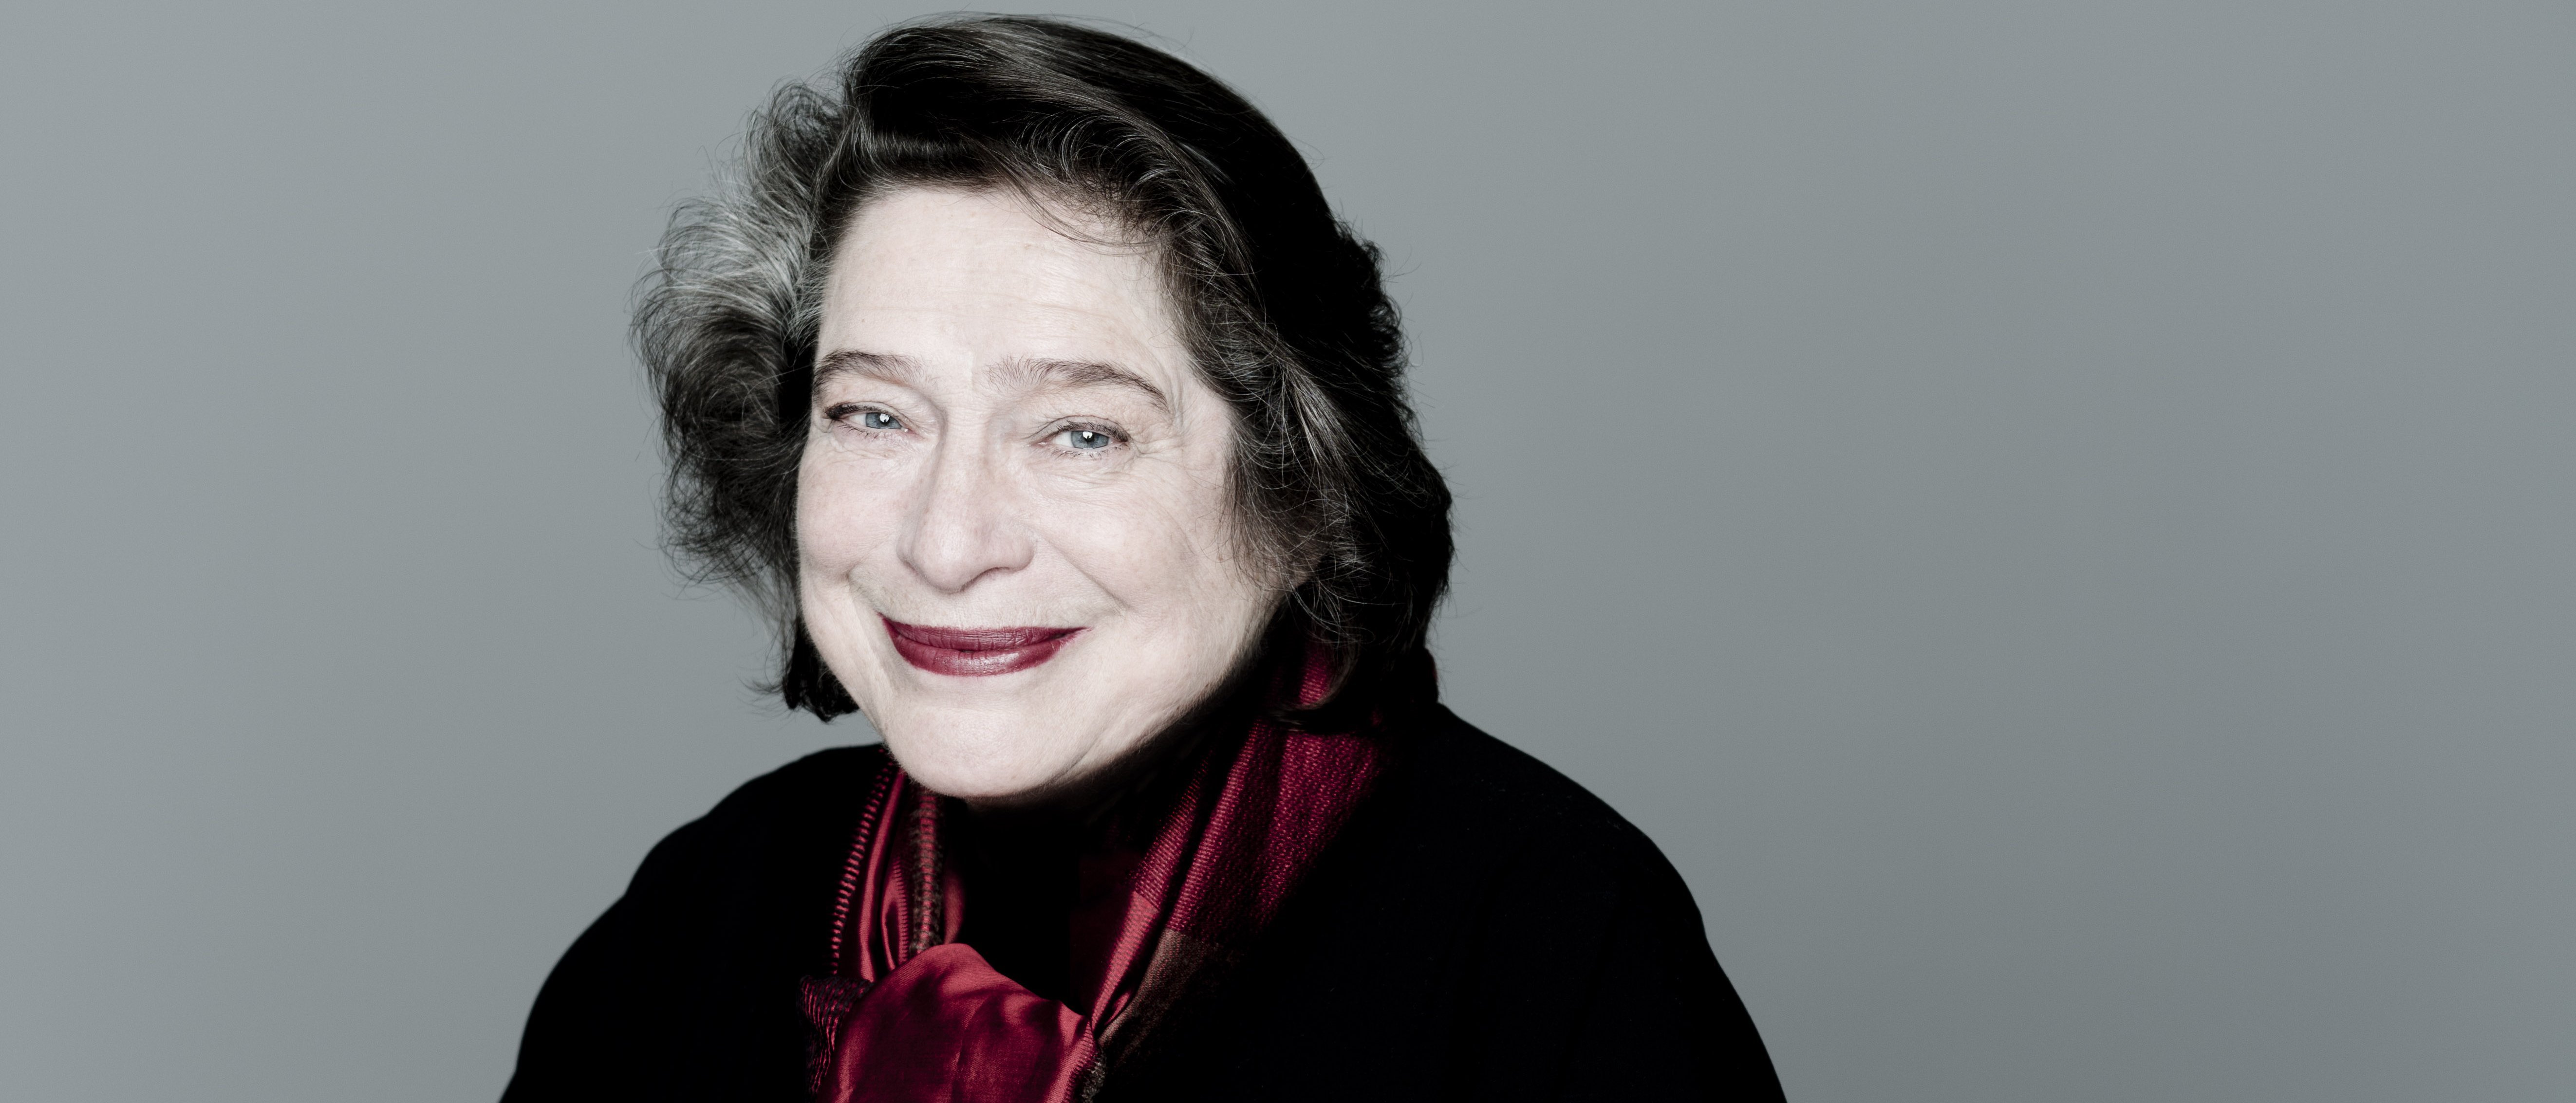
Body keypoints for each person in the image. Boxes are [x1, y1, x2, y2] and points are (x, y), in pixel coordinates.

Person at [502, 15, 1783, 1102]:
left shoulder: (1548, 938)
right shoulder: (706, 915)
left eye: (1081, 430)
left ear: (1298, 491)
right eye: (875, 414)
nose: (946, 542)